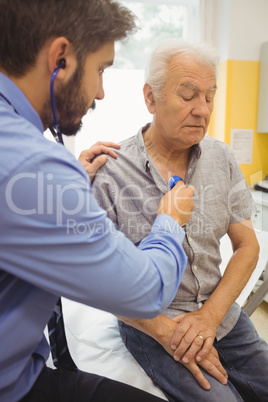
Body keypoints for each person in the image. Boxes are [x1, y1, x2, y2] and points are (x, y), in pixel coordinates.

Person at [0, 2, 198, 401]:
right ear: (61, 58)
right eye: (101, 69)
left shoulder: (24, 159)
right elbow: (145, 290)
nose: (102, 92)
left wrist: (62, 180)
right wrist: (170, 220)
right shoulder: (34, 167)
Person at [91, 39, 268, 402]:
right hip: (155, 325)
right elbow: (101, 281)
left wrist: (209, 318)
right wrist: (171, 334)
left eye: (210, 96)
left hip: (222, 316)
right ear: (151, 98)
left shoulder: (222, 158)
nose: (203, 110)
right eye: (188, 95)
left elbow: (248, 246)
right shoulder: (111, 171)